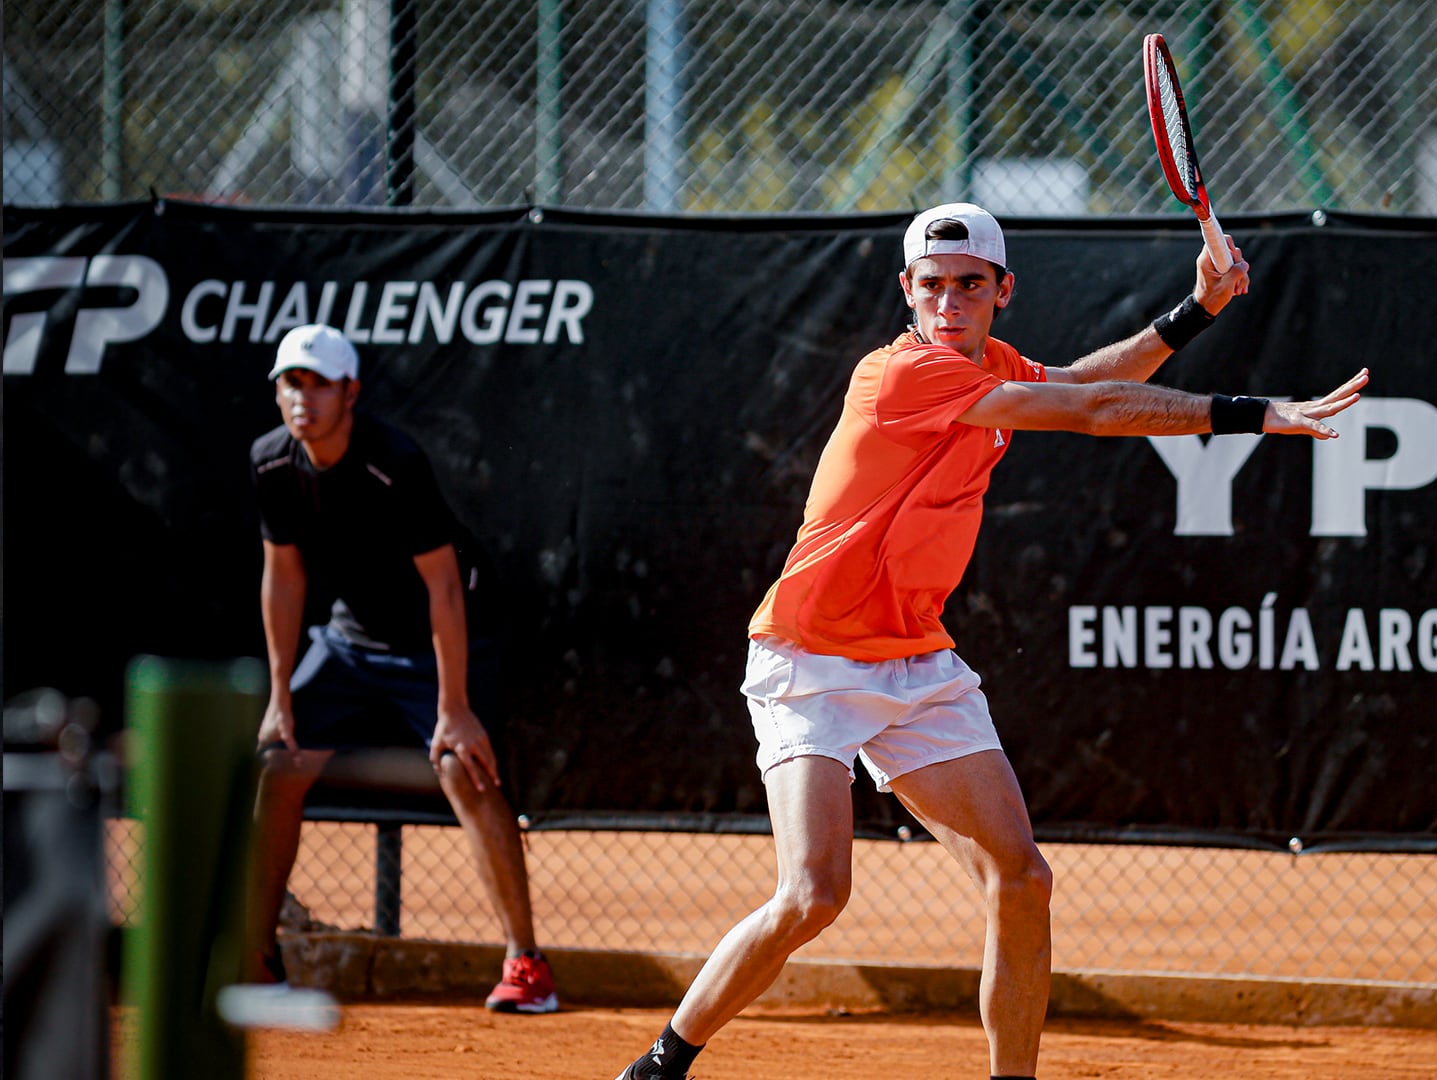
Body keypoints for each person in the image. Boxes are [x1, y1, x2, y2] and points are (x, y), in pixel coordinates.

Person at [616, 204, 1366, 1079]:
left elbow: (1085, 379)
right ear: (906, 292)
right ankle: (663, 1064)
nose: (949, 301)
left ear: (1001, 292)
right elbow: (1091, 412)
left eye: (969, 285)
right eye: (930, 285)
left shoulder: (996, 369)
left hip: (914, 659)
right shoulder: (900, 375)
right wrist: (1256, 413)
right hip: (810, 660)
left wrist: (1194, 311)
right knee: (813, 895)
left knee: (1021, 878)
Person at [246, 323, 557, 1014]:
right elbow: (284, 580)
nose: (304, 399)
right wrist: (279, 698)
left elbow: (444, 586)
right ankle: (256, 960)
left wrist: (452, 708)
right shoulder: (271, 463)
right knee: (279, 760)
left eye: (319, 384)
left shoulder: (393, 461)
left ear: (350, 392)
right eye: (291, 383)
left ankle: (526, 965)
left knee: (459, 765)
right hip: (350, 639)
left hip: (443, 634)